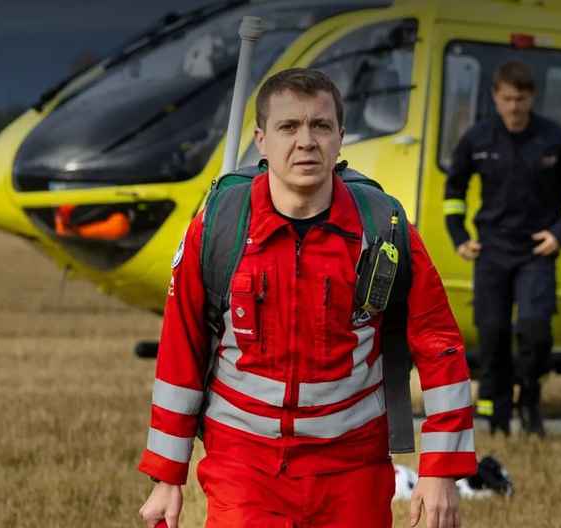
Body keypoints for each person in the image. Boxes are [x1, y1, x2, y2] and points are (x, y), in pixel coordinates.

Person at [136, 68, 476, 528]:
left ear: (341, 137)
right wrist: (166, 476)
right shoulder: (218, 226)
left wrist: (441, 470)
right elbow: (182, 353)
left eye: (320, 125)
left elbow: (441, 348)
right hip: (245, 464)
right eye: (288, 127)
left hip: (353, 466)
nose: (306, 141)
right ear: (261, 140)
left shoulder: (385, 227)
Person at [442, 59, 561, 437]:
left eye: (521, 99)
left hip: (536, 253)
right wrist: (459, 235)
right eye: (507, 98)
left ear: (532, 97)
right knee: (491, 336)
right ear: (495, 96)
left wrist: (560, 232)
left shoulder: (556, 138)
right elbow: (454, 190)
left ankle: (530, 401)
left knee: (534, 331)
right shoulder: (477, 138)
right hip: (491, 252)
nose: (513, 107)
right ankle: (495, 418)